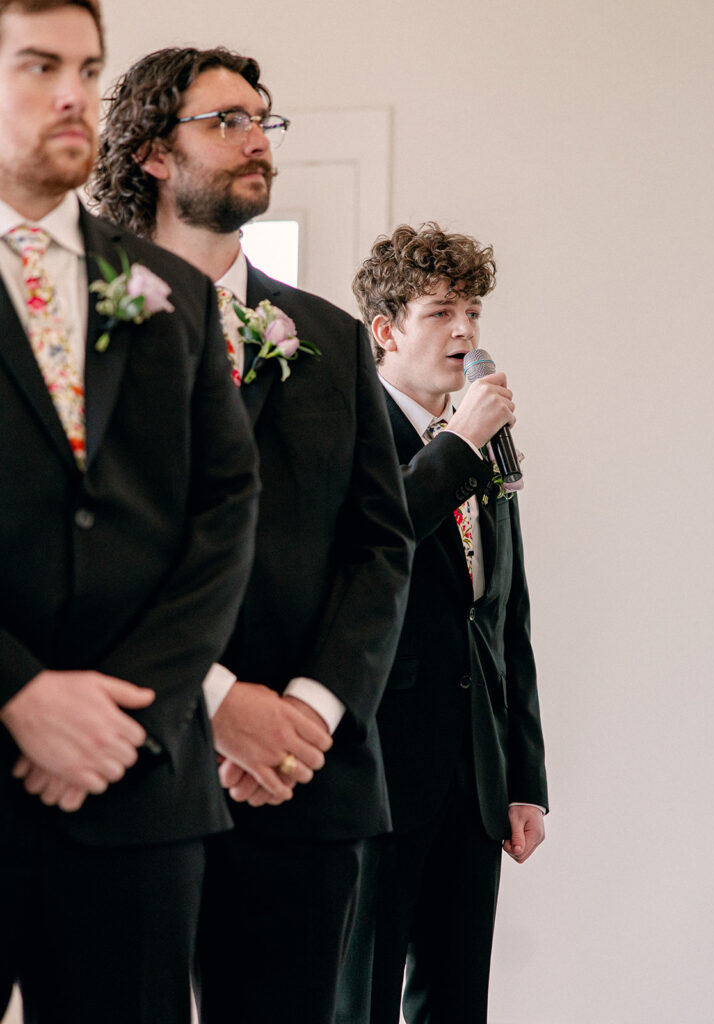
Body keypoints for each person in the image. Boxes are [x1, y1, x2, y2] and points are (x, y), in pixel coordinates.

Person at [92, 46, 414, 1024]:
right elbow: (75, 552)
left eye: (262, 120)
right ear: (153, 152)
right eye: (225, 121)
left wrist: (308, 713)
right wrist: (221, 703)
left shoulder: (331, 337)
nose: (257, 139)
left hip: (303, 779)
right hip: (130, 768)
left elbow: (379, 544)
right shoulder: (77, 331)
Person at [0, 6, 259, 1024]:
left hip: (140, 790)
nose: (73, 94)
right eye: (38, 67)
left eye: (87, 68)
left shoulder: (168, 293)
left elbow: (225, 508)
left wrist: (134, 712)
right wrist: (19, 691)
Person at [335, 223, 549, 1024]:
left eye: (473, 312)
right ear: (386, 331)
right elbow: (370, 537)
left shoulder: (484, 447)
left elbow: (505, 618)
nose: (465, 331)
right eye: (440, 312)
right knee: (357, 999)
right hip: (378, 774)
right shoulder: (349, 433)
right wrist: (460, 442)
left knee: (456, 1002)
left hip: (474, 779)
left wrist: (522, 780)